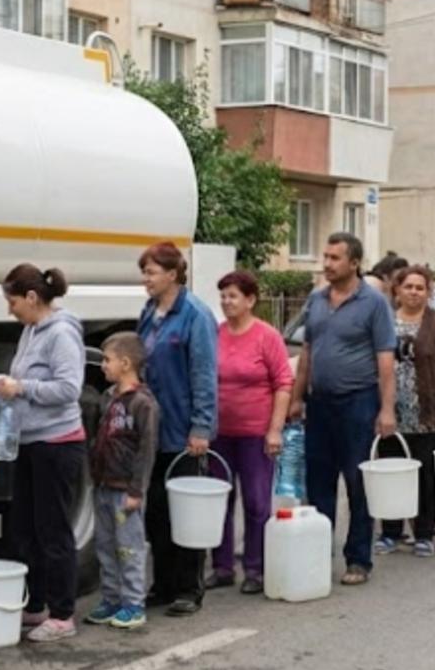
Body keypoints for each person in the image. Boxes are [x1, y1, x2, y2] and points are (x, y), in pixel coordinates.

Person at [0, 265, 86, 643]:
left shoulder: (62, 333)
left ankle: (63, 613)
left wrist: (20, 389)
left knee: (53, 530)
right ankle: (35, 606)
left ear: (32, 298)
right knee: (28, 528)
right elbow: (19, 381)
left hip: (57, 443)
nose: (10, 310)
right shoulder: (31, 331)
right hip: (31, 441)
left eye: (12, 301)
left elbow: (68, 388)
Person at [291, 232, 397, 586]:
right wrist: (296, 396)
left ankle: (358, 559)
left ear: (354, 263)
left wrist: (386, 410)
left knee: (357, 482)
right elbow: (307, 351)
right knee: (317, 483)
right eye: (325, 256)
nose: (327, 264)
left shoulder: (373, 302)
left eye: (335, 258)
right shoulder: (317, 299)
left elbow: (385, 359)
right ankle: (319, 554)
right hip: (319, 403)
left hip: (358, 402)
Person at [135, 242, 219, 617]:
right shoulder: (149, 312)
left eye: (151, 272)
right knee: (156, 511)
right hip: (152, 428)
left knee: (184, 511)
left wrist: (201, 427)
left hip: (183, 430)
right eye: (144, 272)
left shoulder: (195, 315)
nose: (145, 280)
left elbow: (204, 375)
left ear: (172, 274)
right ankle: (164, 584)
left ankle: (189, 587)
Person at [207, 271, 294, 595]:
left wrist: (275, 429)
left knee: (257, 502)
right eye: (223, 296)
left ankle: (255, 568)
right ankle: (222, 566)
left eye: (233, 296)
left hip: (256, 433)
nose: (227, 302)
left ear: (250, 300)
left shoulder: (266, 336)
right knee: (220, 501)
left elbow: (284, 383)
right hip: (220, 434)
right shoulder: (215, 334)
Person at [377, 266, 435, 558]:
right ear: (397, 290)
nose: (414, 292)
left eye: (420, 287)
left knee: (425, 475)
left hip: (429, 412)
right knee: (391, 473)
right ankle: (390, 532)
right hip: (390, 413)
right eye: (408, 286)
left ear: (428, 292)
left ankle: (424, 533)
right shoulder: (384, 322)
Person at [84, 332, 159, 631]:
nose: (103, 365)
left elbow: (146, 449)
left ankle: (133, 603)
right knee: (105, 547)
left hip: (125, 491)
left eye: (107, 360)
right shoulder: (107, 398)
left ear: (125, 363)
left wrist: (136, 490)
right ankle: (111, 599)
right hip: (104, 486)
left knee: (129, 548)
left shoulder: (142, 404)